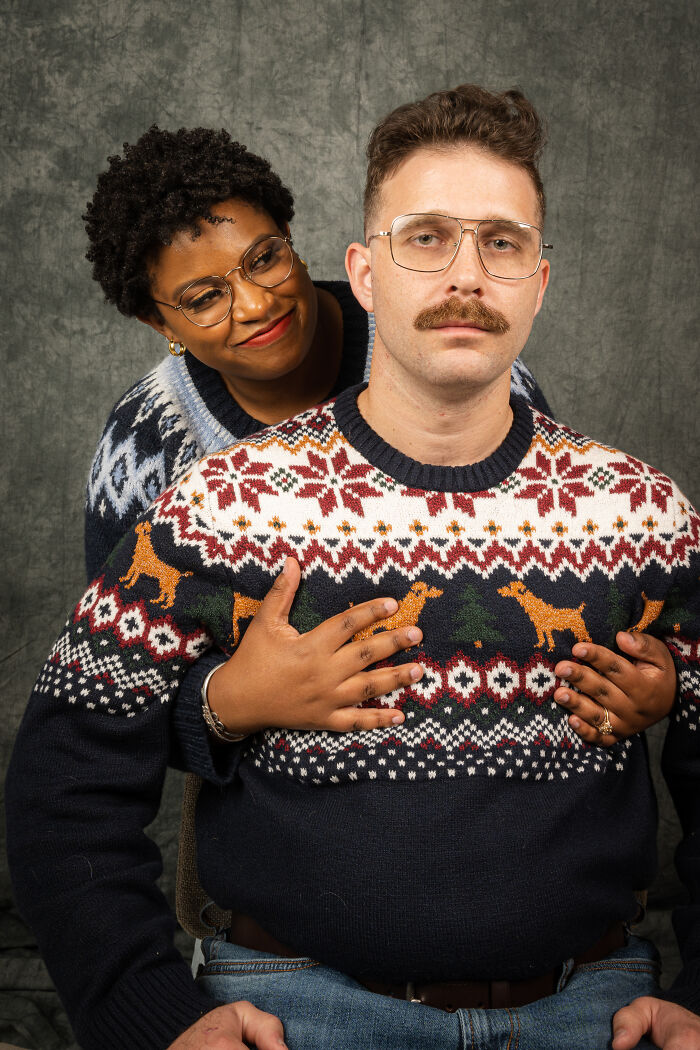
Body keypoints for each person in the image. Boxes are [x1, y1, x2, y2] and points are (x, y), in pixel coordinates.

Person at [6, 85, 697, 1050]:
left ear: (540, 281)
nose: (466, 277)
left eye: (501, 243)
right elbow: (74, 762)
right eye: (427, 240)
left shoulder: (637, 508)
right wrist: (150, 1017)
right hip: (297, 1005)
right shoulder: (206, 492)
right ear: (367, 272)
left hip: (591, 1005)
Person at [82, 124, 673, 755]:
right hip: (270, 774)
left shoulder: (451, 346)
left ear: (294, 242)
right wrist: (230, 701)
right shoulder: (145, 443)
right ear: (158, 321)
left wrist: (635, 687)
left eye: (264, 260)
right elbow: (122, 688)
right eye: (204, 297)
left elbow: (551, 543)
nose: (255, 304)